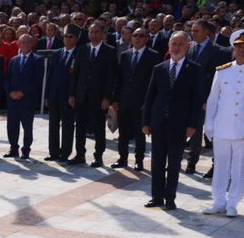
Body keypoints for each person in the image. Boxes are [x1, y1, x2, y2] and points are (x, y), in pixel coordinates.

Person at [201, 29, 244, 217]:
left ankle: (233, 202)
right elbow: (213, 99)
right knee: (220, 164)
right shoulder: (222, 70)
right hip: (222, 125)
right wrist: (209, 124)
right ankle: (218, 200)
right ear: (233, 48)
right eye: (239, 46)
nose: (242, 49)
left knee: (239, 167)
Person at [142, 31, 204, 211]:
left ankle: (170, 197)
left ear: (187, 47)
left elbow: (197, 100)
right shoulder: (159, 68)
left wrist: (193, 125)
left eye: (180, 44)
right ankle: (157, 196)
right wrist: (145, 121)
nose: (176, 47)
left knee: (174, 162)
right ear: (169, 46)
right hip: (158, 121)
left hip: (180, 124)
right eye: (174, 44)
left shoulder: (194, 69)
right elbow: (150, 96)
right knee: (157, 161)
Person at [70, 22, 117, 167]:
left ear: (102, 34)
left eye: (96, 32)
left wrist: (107, 98)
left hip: (99, 97)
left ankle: (98, 156)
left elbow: (111, 78)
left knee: (98, 127)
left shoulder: (109, 51)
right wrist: (72, 94)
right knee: (80, 127)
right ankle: (80, 154)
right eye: (91, 32)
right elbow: (75, 74)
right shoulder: (82, 50)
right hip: (81, 95)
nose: (93, 35)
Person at [185, 19, 229, 174]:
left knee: (213, 133)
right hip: (188, 97)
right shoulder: (188, 47)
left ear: (207, 33)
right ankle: (192, 162)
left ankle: (216, 164)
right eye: (191, 30)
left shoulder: (219, 51)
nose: (192, 33)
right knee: (193, 131)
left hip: (209, 98)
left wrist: (207, 99)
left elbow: (217, 77)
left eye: (196, 31)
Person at [112, 27, 160, 170]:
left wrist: (149, 102)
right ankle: (122, 159)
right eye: (135, 35)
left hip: (141, 102)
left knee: (140, 134)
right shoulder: (125, 55)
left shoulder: (153, 55)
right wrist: (115, 99)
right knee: (123, 133)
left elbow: (154, 82)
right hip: (124, 100)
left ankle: (139, 160)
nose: (137, 38)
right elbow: (119, 79)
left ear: (146, 39)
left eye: (141, 36)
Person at [3, 33, 45, 160]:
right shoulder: (14, 60)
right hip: (12, 100)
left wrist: (23, 93)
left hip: (27, 99)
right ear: (19, 44)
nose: (25, 44)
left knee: (27, 127)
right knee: (12, 126)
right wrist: (10, 92)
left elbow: (37, 80)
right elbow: (7, 79)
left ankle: (26, 150)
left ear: (32, 44)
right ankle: (13, 148)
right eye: (23, 42)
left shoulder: (38, 60)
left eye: (28, 42)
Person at [45, 25, 79, 162]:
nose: (68, 39)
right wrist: (47, 95)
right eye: (66, 36)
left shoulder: (80, 53)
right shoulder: (57, 53)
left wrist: (74, 95)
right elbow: (50, 75)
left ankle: (65, 152)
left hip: (69, 96)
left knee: (67, 125)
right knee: (53, 125)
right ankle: (53, 152)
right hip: (54, 94)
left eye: (71, 37)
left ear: (76, 39)